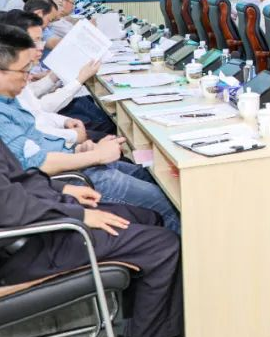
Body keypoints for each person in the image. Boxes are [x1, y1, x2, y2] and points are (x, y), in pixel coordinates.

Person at [0, 139, 185, 337]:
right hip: (25, 245)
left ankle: (139, 327)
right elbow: (9, 208)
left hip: (35, 225)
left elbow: (17, 179)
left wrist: (62, 188)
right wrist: (80, 215)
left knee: (149, 217)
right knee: (162, 245)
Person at [0, 25, 179, 233]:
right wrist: (96, 156)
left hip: (70, 163)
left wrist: (78, 149)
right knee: (163, 203)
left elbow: (37, 138)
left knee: (144, 174)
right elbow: (38, 163)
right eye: (24, 70)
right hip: (69, 177)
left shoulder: (10, 99)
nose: (28, 76)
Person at [2, 11, 86, 146]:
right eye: (34, 41)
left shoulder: (17, 73)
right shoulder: (11, 79)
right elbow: (36, 128)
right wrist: (79, 80)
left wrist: (64, 122)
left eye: (40, 40)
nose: (40, 47)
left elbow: (36, 110)